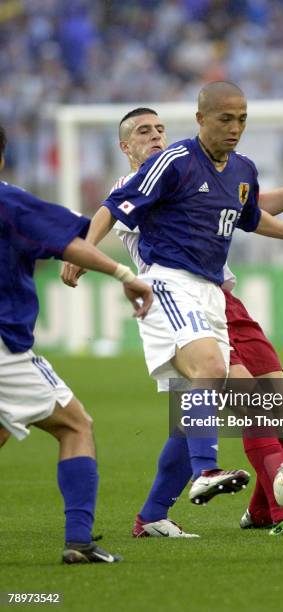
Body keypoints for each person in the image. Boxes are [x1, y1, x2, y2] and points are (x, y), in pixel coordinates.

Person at [61, 82, 283, 537]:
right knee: (238, 393)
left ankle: (157, 515)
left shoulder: (210, 168)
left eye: (158, 129)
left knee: (271, 409)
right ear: (124, 146)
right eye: (143, 131)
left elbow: (246, 205)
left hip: (218, 296)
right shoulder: (157, 172)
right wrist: (82, 251)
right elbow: (113, 208)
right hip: (172, 288)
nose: (154, 137)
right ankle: (241, 490)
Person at [0, 124, 153, 562]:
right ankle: (80, 542)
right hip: (4, 345)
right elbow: (68, 242)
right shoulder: (8, 201)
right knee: (75, 424)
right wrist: (124, 274)